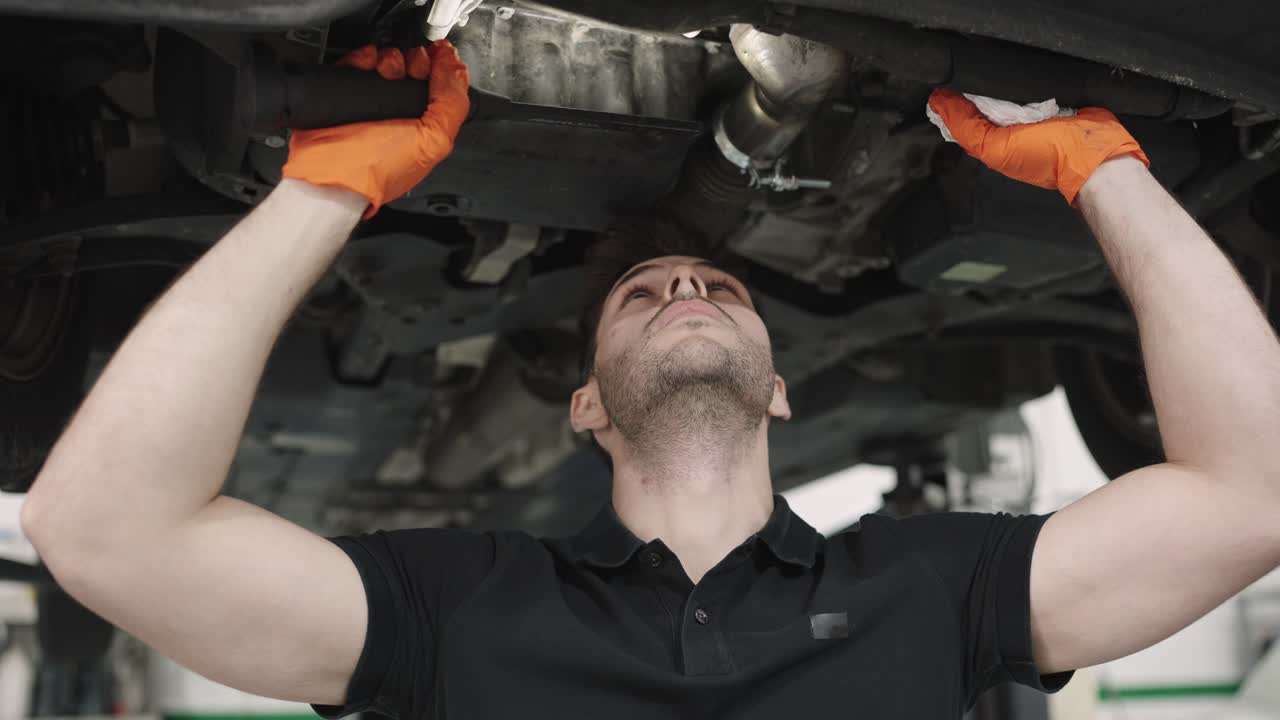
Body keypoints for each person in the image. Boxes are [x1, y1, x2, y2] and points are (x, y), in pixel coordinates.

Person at [20, 41, 1280, 719]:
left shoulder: (930, 587)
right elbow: (103, 531)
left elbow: (1253, 489)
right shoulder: (453, 612)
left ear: (782, 388)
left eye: (717, 288)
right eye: (647, 294)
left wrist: (1103, 172)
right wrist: (320, 191)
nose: (689, 286)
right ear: (584, 403)